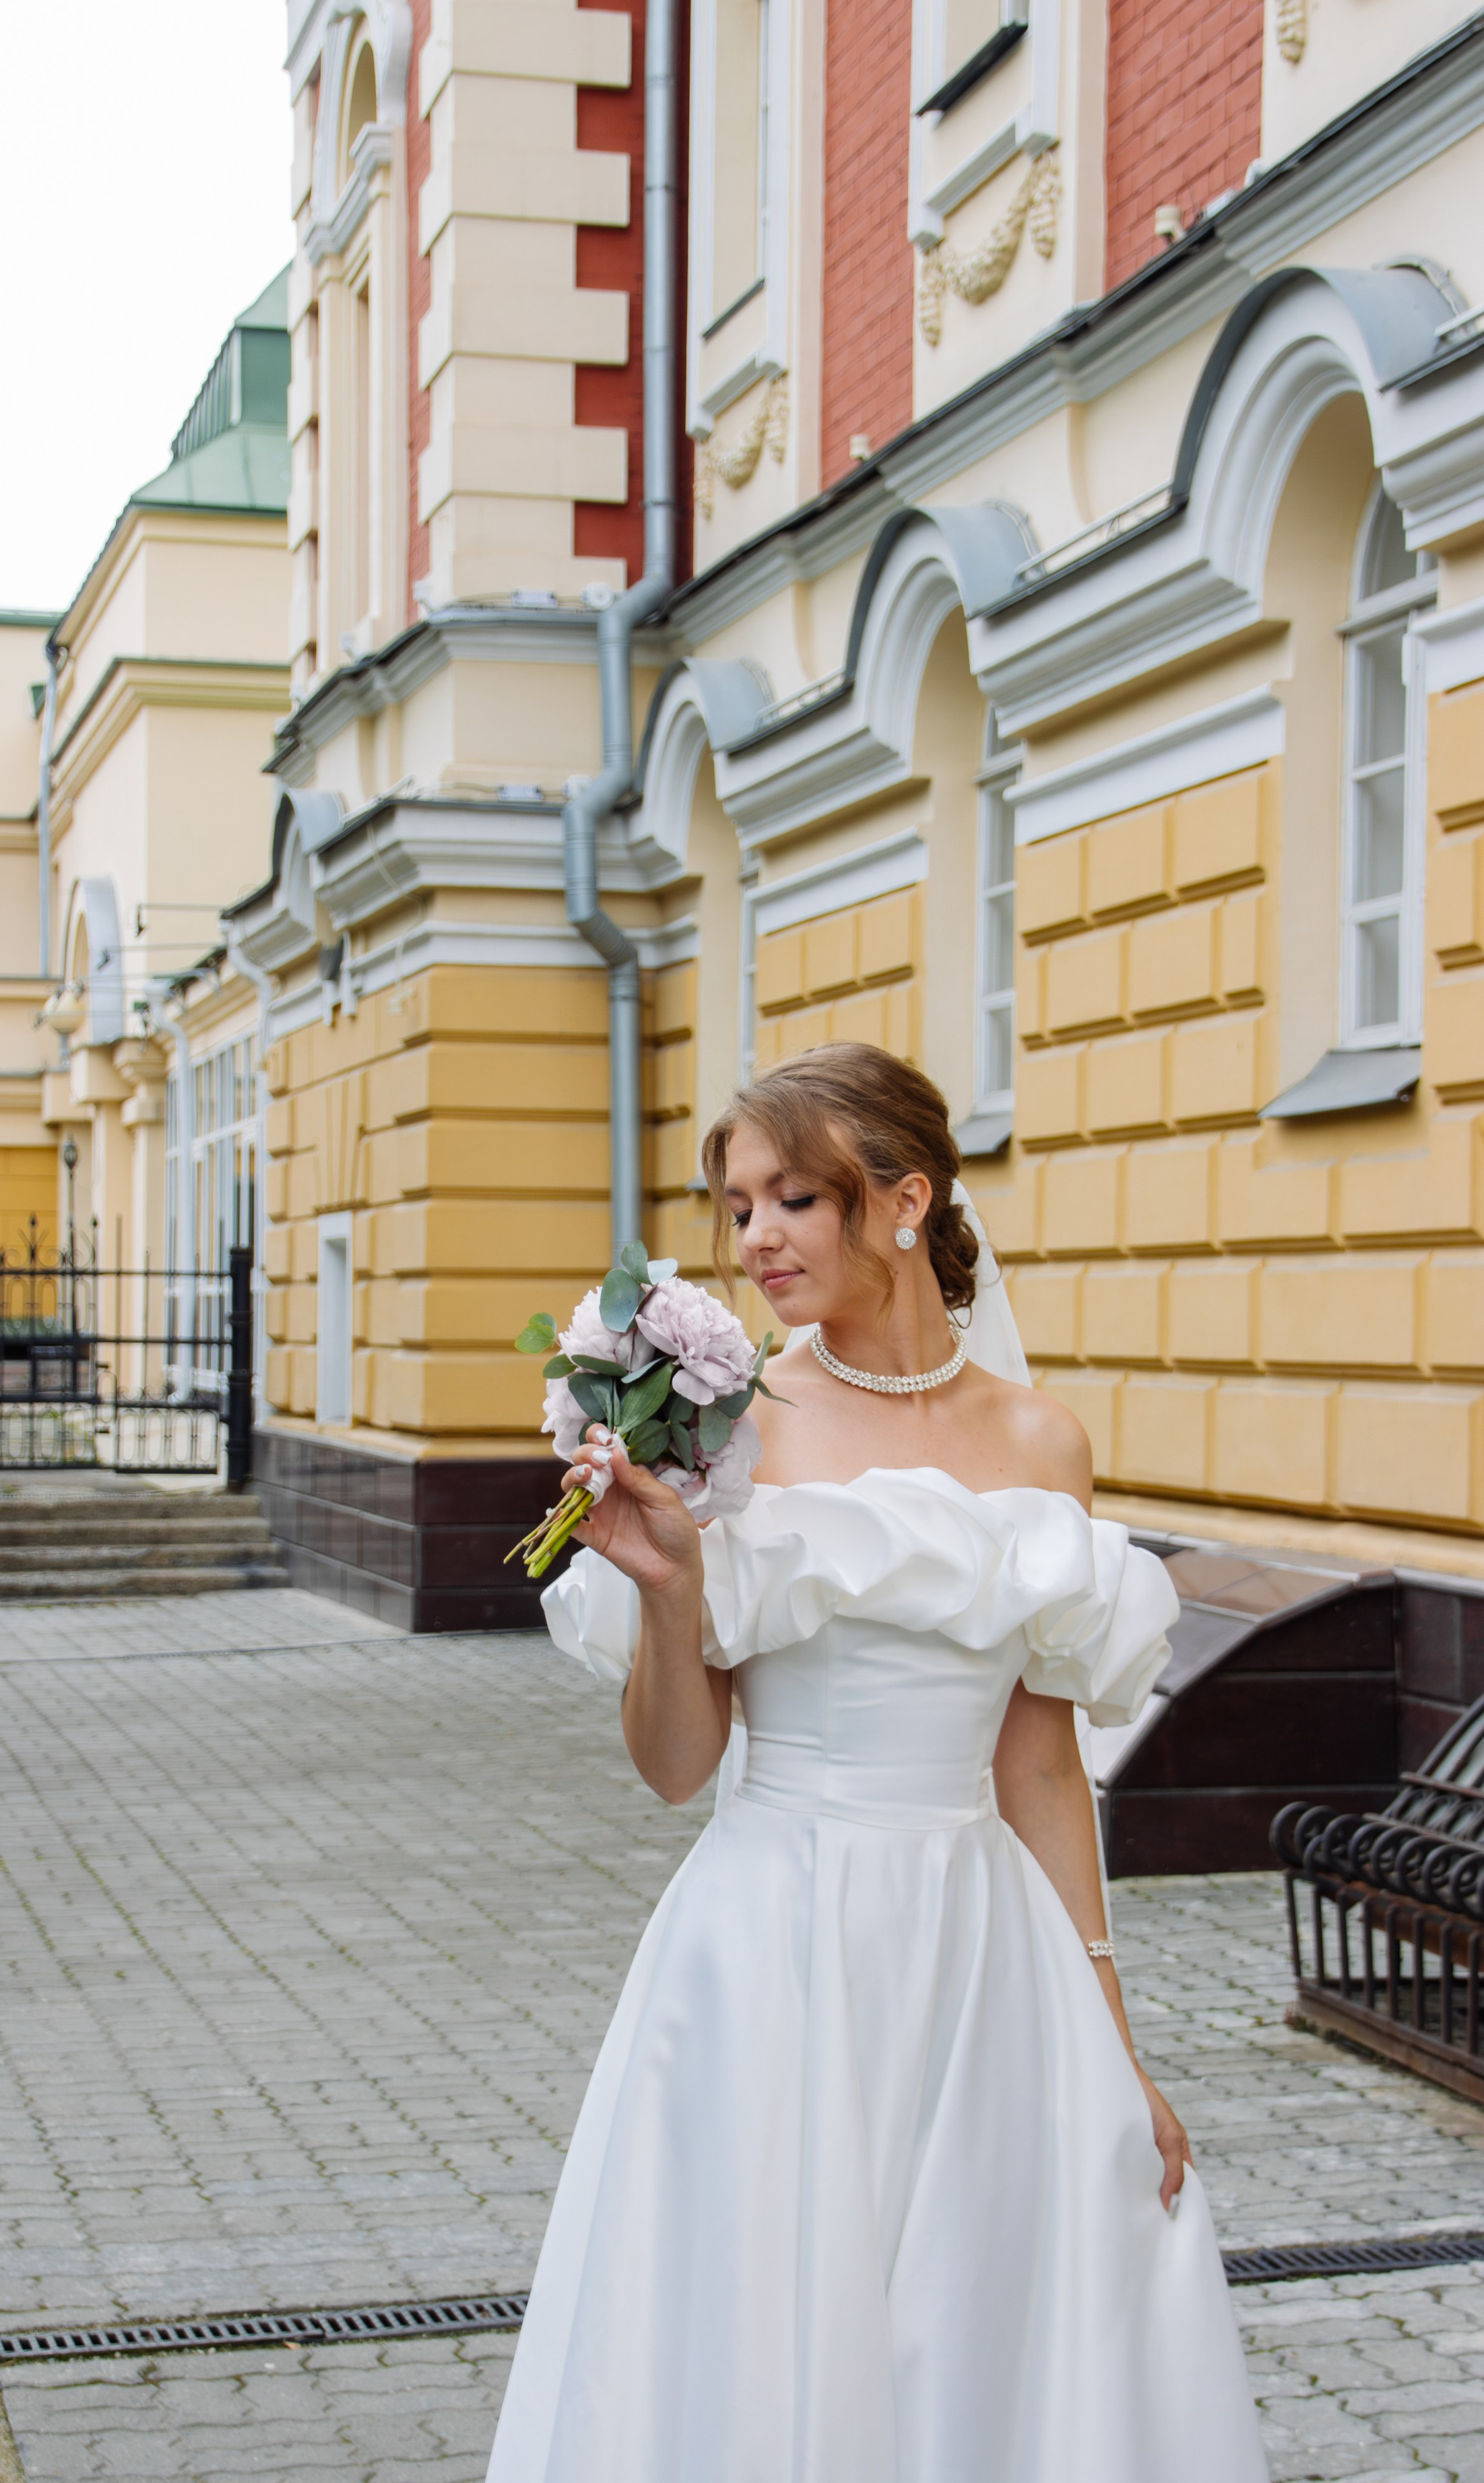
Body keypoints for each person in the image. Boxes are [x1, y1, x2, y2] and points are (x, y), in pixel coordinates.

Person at [484, 1041, 1268, 2483]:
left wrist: (1114, 2040)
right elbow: (672, 1768)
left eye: (796, 1197)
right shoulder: (724, 1437)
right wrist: (665, 1587)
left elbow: (1040, 1768)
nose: (756, 1238)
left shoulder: (1041, 1444)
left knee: (981, 2332)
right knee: (766, 2338)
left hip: (981, 1955)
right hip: (770, 1941)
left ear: (904, 1202)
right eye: (736, 1207)